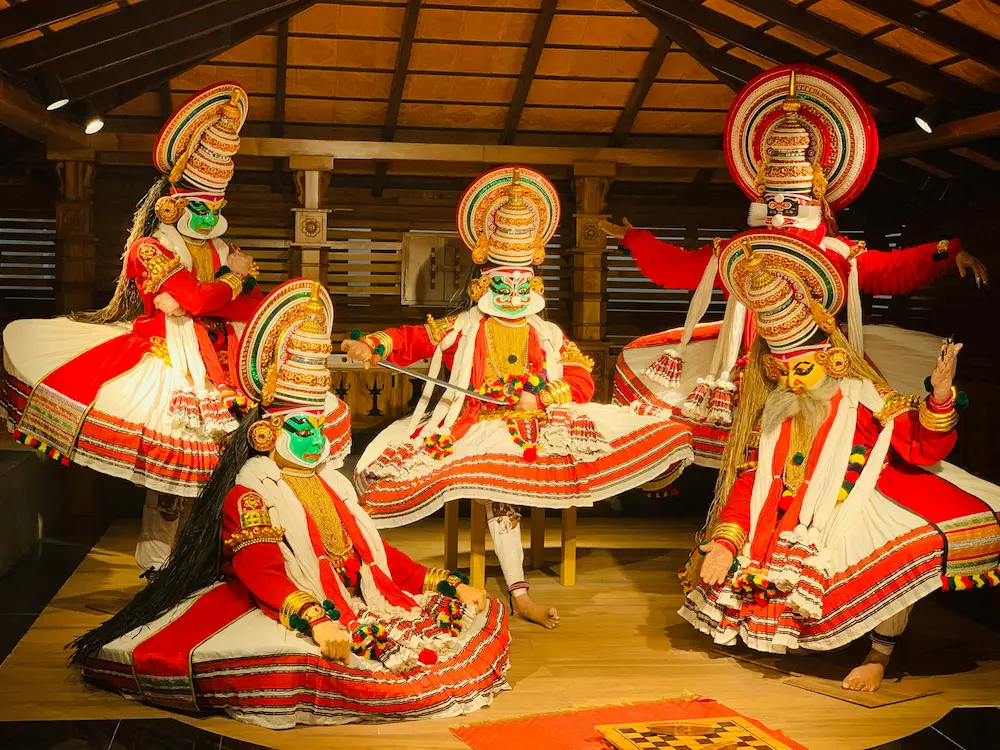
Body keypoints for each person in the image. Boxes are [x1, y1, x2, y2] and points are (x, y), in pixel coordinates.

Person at [72, 280, 510, 728]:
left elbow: (370, 558)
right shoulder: (252, 493)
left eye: (317, 426)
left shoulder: (330, 485)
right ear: (267, 434)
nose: (315, 437)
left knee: (475, 617)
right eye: (301, 426)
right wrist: (316, 622)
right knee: (365, 679)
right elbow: (261, 570)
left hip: (354, 597)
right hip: (287, 601)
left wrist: (445, 584)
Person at [345, 166, 694, 629]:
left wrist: (544, 398)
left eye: (520, 283)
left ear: (533, 283)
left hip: (543, 422)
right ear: (485, 283)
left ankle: (654, 476)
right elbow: (414, 339)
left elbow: (580, 379)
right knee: (498, 493)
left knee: (639, 435)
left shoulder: (546, 333)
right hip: (477, 425)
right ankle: (519, 591)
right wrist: (374, 345)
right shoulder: (465, 327)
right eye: (502, 283)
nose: (512, 292)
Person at [607, 65, 988, 471]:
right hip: (753, 366)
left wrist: (947, 251)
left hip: (821, 367)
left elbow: (891, 268)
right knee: (751, 463)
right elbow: (681, 269)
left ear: (815, 197)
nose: (780, 213)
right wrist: (638, 241)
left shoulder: (833, 251)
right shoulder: (741, 251)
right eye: (773, 202)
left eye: (790, 203)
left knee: (843, 449)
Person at [679, 230, 1000, 692]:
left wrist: (941, 397)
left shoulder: (860, 398)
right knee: (746, 566)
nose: (792, 382)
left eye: (802, 370)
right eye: (782, 372)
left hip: (854, 502)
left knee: (894, 549)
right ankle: (805, 634)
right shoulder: (773, 412)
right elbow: (752, 482)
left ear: (831, 362)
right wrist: (729, 539)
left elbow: (922, 446)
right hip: (787, 518)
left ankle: (879, 653)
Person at [2, 83, 263, 574]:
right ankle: (160, 565)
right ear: (171, 206)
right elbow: (195, 299)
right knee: (169, 475)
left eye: (216, 206)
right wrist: (233, 281)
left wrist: (226, 289)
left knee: (217, 474)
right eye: (199, 206)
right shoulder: (152, 249)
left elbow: (240, 306)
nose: (209, 215)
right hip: (166, 360)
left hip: (219, 364)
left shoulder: (223, 252)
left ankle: (200, 561)